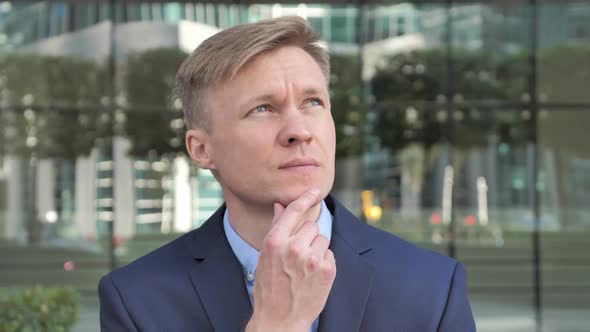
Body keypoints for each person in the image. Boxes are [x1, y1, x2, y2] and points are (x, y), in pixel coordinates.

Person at [98, 16, 476, 332]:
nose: (299, 130)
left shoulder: (433, 288)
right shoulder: (136, 301)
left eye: (313, 102)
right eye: (262, 108)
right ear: (202, 149)